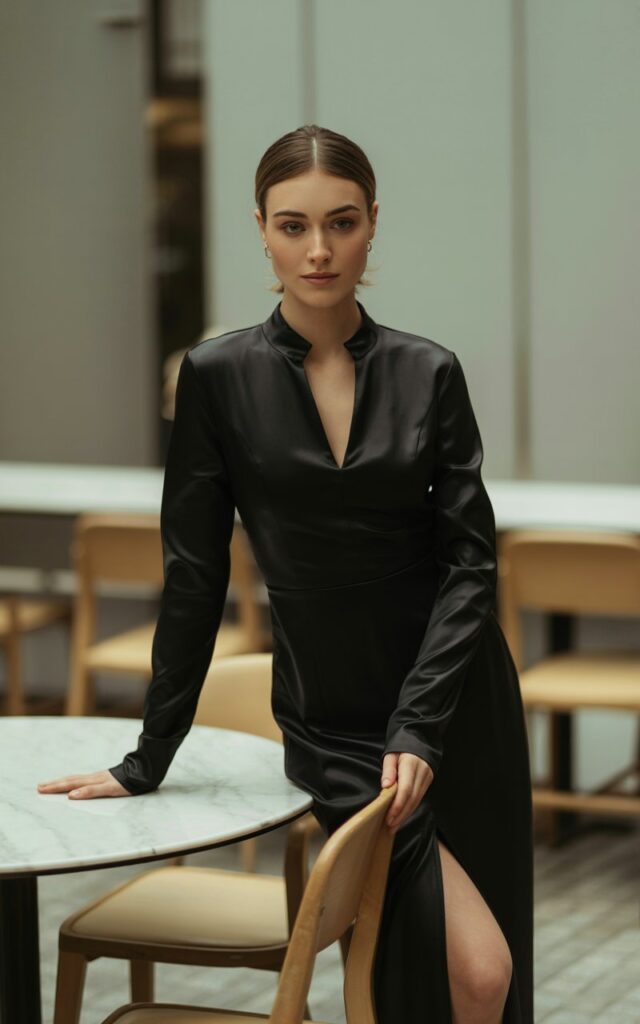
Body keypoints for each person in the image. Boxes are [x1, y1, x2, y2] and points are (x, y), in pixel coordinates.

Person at [38, 124, 534, 1024]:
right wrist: (150, 754)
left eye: (341, 223)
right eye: (293, 225)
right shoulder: (217, 376)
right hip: (336, 721)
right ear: (260, 229)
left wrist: (422, 723)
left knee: (484, 979)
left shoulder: (430, 371)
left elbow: (471, 564)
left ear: (372, 222)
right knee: (475, 971)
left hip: (458, 704)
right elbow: (193, 578)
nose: (319, 250)